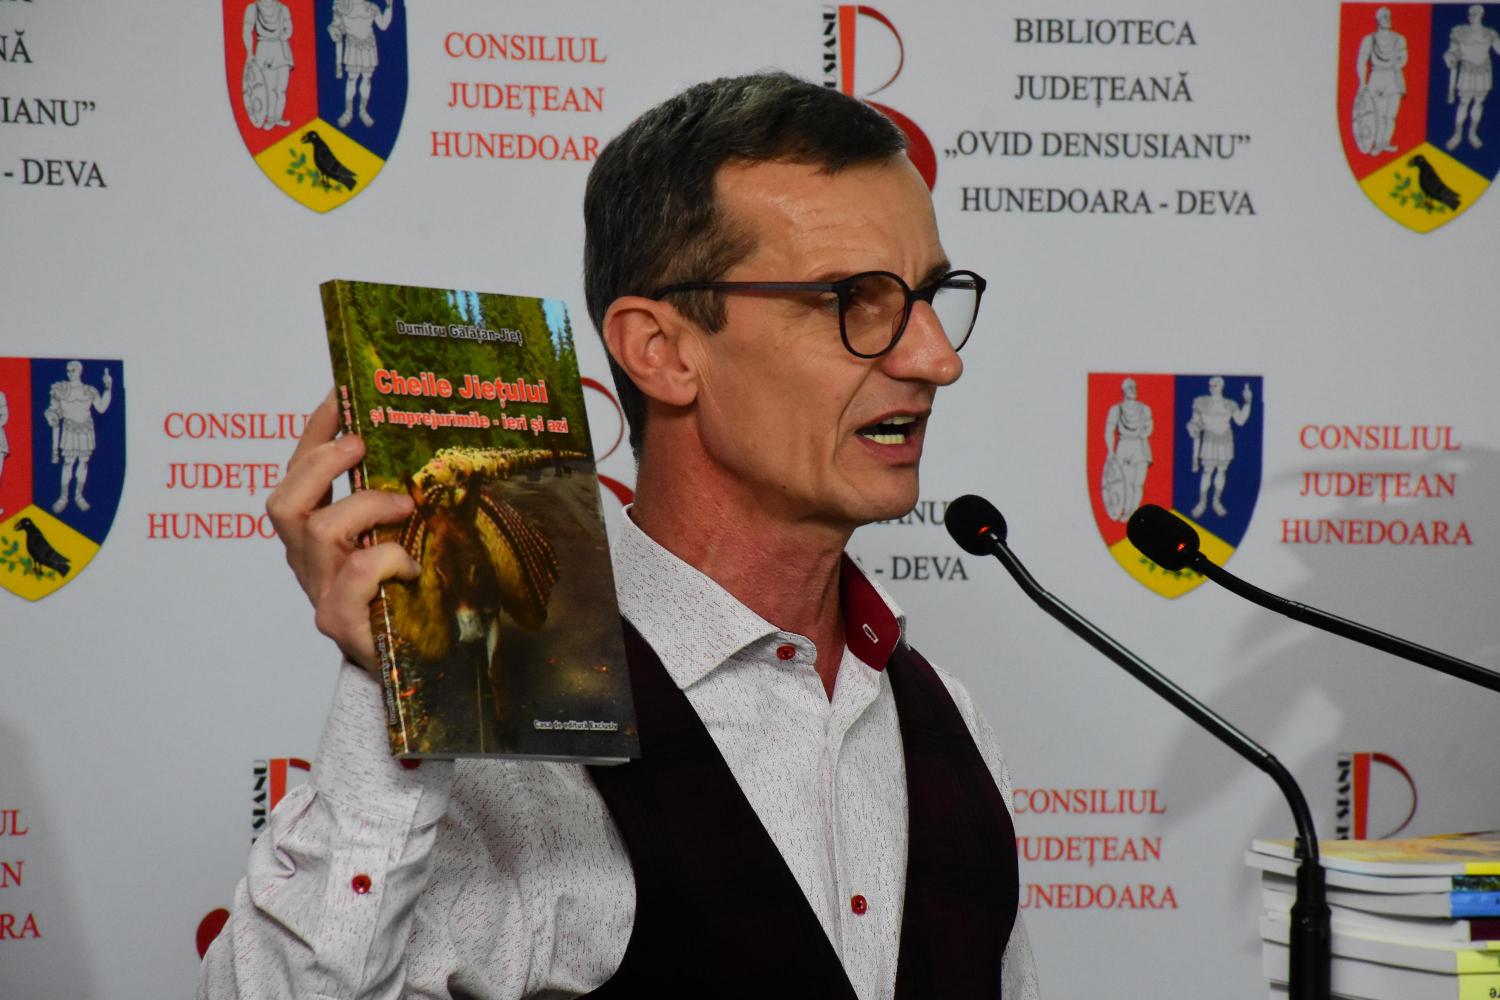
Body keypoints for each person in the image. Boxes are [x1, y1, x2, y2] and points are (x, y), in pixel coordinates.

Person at [200, 73, 1038, 999]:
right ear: (661, 351)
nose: (936, 359)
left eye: (930, 295)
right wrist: (397, 686)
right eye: (856, 298)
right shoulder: (508, 718)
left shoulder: (946, 717)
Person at [44, 361, 112, 514]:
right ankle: (63, 497)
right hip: (69, 430)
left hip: (85, 431)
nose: (70, 372)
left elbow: (101, 408)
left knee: (83, 462)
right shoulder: (60, 389)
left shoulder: (90, 390)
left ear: (80, 370)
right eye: (68, 370)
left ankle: (79, 495)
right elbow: (52, 410)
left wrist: (108, 388)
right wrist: (51, 416)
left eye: (73, 369)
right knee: (68, 463)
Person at [1187, 376, 1252, 519]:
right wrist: (1192, 427)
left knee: (1221, 471)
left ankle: (1216, 501)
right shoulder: (1201, 402)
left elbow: (1240, 421)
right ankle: (1202, 502)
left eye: (1215, 385)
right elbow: (1195, 422)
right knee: (1207, 471)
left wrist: (1247, 402)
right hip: (1209, 440)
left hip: (1225, 441)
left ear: (1221, 386)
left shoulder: (1230, 404)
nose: (1212, 388)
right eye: (1210, 385)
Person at [329, 0, 395, 129]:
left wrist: (389, 6)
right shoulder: (342, 5)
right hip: (352, 46)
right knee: (352, 78)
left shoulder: (372, 7)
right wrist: (334, 32)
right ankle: (348, 111)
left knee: (366, 78)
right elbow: (336, 26)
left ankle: (363, 111)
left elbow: (383, 25)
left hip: (368, 47)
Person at [1444, 4, 1500, 151]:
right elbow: (1453, 51)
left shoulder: (1490, 33)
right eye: (1470, 14)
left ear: (1481, 14)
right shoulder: (1459, 31)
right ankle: (1457, 135)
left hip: (1483, 71)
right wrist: (1450, 57)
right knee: (1464, 102)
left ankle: (1472, 134)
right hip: (1467, 70)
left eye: (1475, 13)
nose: (1472, 16)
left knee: (1479, 102)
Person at [1355, 7, 1408, 154]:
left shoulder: (1399, 39)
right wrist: (1362, 82)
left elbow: (1403, 59)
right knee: (1378, 114)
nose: (1388, 19)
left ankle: (1385, 142)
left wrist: (1394, 65)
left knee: (1391, 115)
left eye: (1389, 16)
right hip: (1377, 77)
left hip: (1394, 77)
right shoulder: (1369, 39)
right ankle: (1377, 143)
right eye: (1384, 17)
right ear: (1378, 20)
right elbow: (1361, 61)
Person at [1102, 376, 1153, 522]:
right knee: (1126, 483)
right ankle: (1126, 511)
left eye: (1134, 387)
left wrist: (1142, 434)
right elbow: (1109, 430)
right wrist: (1110, 450)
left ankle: (1134, 512)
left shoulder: (1145, 409)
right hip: (1124, 446)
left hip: (1140, 447)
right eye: (1129, 388)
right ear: (1124, 390)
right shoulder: (1116, 409)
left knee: (1138, 484)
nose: (1133, 390)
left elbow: (1149, 427)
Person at [241, 0, 294, 130]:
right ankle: (270, 118)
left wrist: (283, 35)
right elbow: (247, 31)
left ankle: (278, 117)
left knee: (281, 90)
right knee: (269, 89)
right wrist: (249, 52)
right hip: (264, 49)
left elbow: (289, 29)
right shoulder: (253, 8)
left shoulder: (283, 8)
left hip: (282, 49)